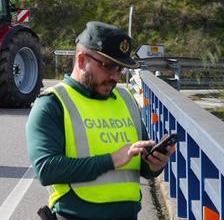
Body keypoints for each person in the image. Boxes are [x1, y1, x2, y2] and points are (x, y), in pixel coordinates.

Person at [26, 21, 176, 220]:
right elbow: (47, 169)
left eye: (120, 69)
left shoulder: (126, 100)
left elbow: (142, 166)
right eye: (107, 66)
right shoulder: (52, 104)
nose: (115, 76)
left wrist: (155, 164)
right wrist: (112, 160)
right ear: (81, 60)